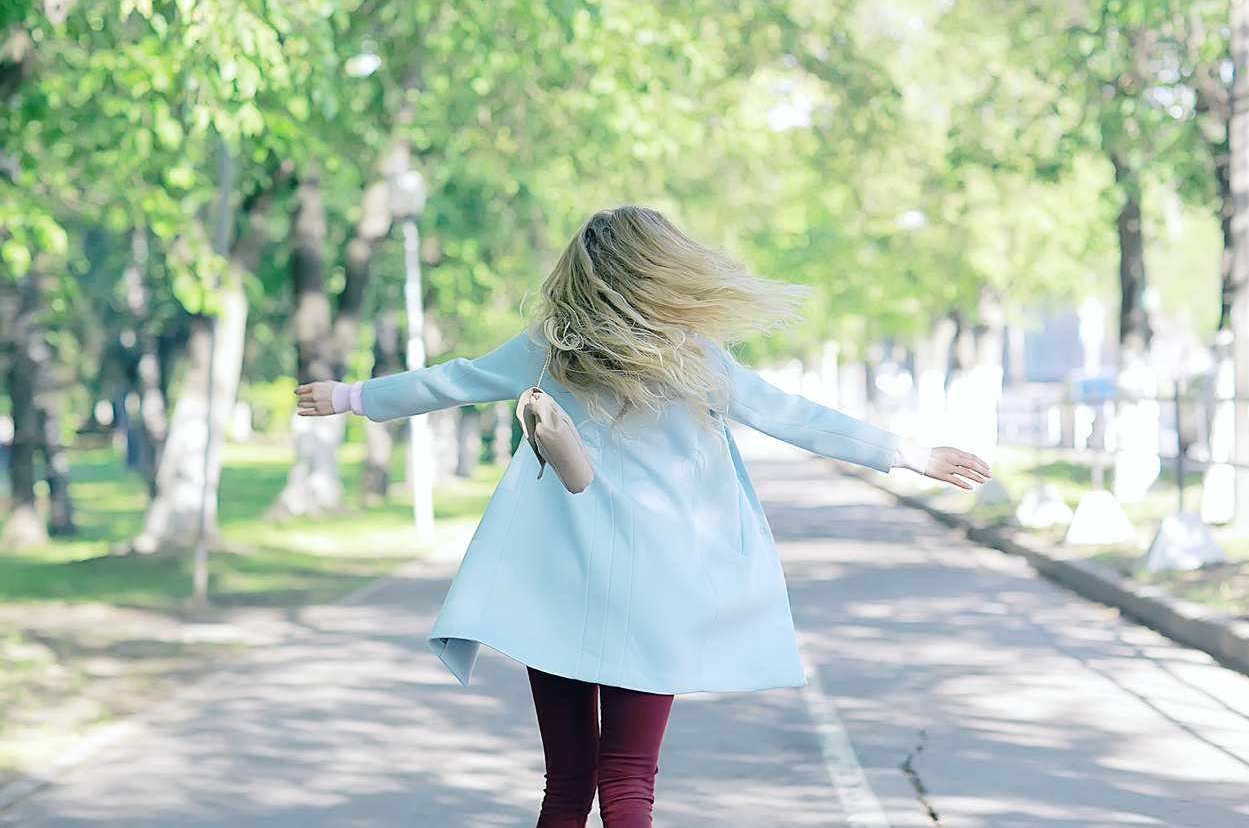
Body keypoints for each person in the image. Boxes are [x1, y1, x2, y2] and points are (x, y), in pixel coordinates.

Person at [295, 206, 992, 828]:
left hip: (558, 592)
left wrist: (352, 395)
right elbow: (793, 415)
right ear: (661, 271)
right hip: (657, 593)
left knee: (565, 787)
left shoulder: (550, 349)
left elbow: (453, 378)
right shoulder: (696, 360)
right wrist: (908, 453)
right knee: (629, 784)